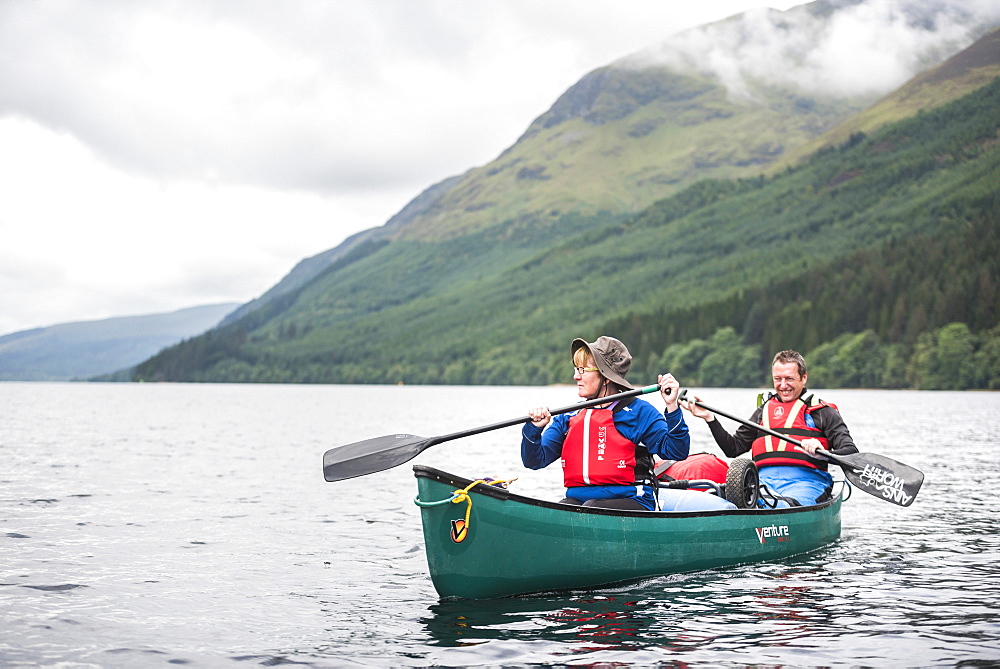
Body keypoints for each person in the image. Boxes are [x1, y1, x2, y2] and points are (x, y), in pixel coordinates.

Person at [522, 336, 730, 512]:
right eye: (576, 369)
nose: (576, 376)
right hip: (581, 502)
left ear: (605, 376)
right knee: (564, 507)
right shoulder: (570, 416)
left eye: (583, 370)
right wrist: (534, 430)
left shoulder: (639, 412)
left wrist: (672, 407)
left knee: (591, 507)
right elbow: (534, 461)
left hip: (634, 501)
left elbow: (676, 451)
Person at [682, 349, 858, 507]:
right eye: (777, 379)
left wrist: (821, 451)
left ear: (804, 378)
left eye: (789, 378)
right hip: (762, 484)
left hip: (807, 485)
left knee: (781, 506)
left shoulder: (823, 413)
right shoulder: (763, 411)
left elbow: (851, 452)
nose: (783, 385)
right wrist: (709, 418)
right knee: (716, 501)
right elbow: (733, 448)